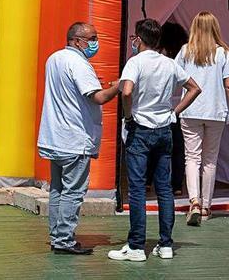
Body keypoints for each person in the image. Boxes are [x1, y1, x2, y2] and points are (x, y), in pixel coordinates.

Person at [108, 19, 201, 262]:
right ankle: (166, 244)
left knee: (137, 188)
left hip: (140, 128)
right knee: (164, 188)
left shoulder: (135, 62)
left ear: (139, 39)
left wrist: (129, 115)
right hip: (163, 129)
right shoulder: (169, 64)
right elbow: (194, 88)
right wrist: (174, 112)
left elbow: (126, 90)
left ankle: (137, 246)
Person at [37, 22, 119, 255]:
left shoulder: (54, 58)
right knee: (72, 192)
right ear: (77, 40)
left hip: (55, 137)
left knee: (58, 190)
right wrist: (120, 86)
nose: (95, 43)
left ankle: (57, 235)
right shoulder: (79, 63)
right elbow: (99, 97)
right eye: (92, 38)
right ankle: (64, 239)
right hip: (74, 139)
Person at [175, 11, 229, 226]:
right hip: (216, 111)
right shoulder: (223, 53)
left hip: (190, 110)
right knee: (210, 160)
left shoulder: (185, 51)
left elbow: (175, 78)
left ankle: (193, 200)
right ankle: (206, 207)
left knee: (191, 157)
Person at [155, 21, 189, 195]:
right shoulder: (185, 54)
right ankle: (176, 185)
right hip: (181, 106)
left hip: (161, 106)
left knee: (155, 147)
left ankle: (148, 180)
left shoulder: (159, 57)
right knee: (178, 147)